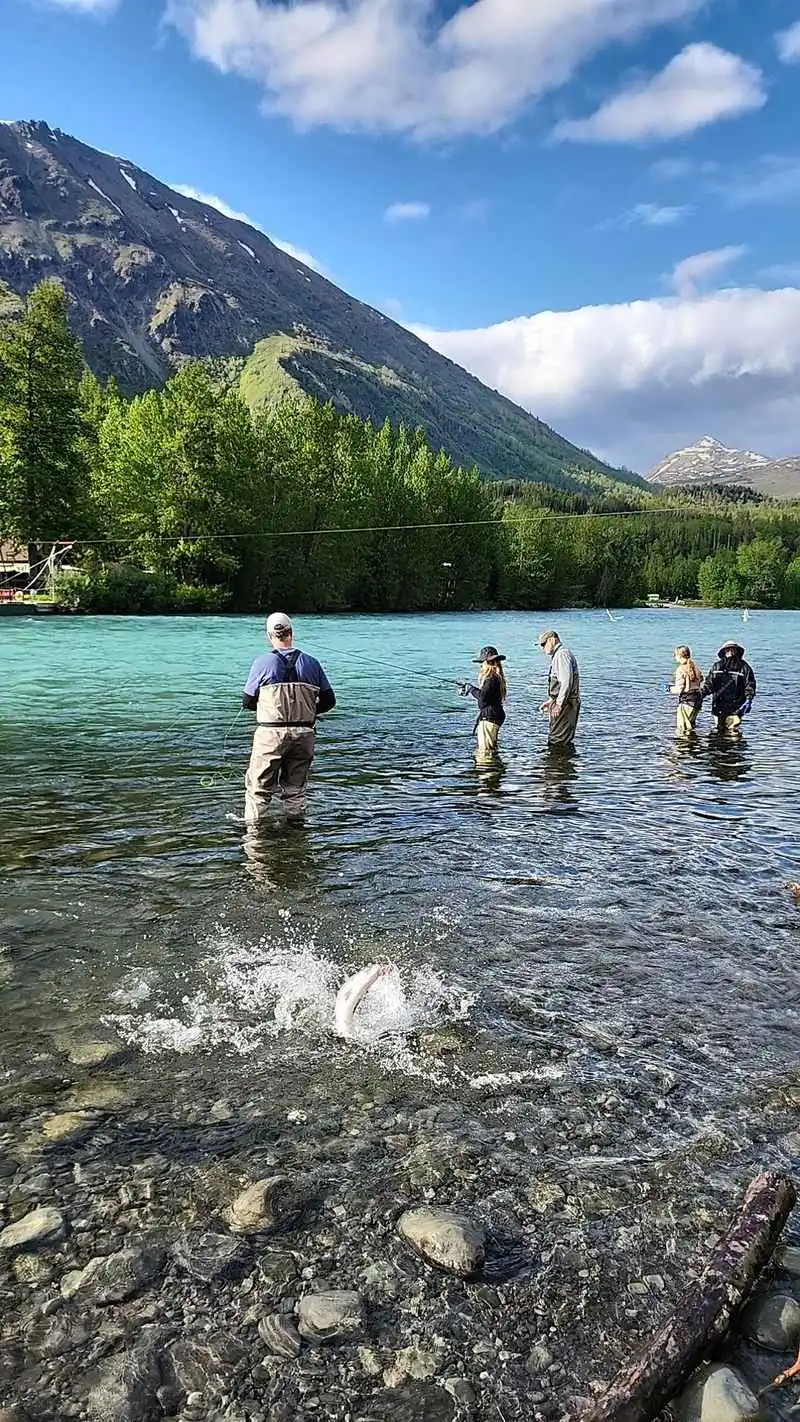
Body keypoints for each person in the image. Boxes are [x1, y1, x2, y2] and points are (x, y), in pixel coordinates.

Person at [241, 612, 336, 826]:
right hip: (304, 734)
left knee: (259, 790)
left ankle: (255, 835)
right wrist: (308, 711)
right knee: (295, 790)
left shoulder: (262, 662)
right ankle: (296, 833)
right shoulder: (312, 663)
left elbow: (247, 701)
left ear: (269, 636)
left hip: (270, 734)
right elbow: (330, 701)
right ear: (291, 632)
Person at [457, 645, 507, 764]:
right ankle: (494, 771)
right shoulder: (497, 677)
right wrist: (471, 689)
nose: (481, 666)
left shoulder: (491, 678)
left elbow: (483, 700)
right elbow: (486, 696)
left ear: (488, 663)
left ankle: (487, 772)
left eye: (482, 662)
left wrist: (471, 689)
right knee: (491, 749)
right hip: (495, 716)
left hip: (489, 718)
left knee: (485, 753)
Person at [699, 641, 756, 734]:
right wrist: (700, 695)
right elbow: (709, 685)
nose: (731, 652)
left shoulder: (744, 667)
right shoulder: (718, 666)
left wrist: (749, 699)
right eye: (728, 649)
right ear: (724, 651)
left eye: (732, 649)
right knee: (724, 732)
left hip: (733, 707)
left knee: (729, 733)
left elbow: (749, 685)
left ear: (737, 651)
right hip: (722, 706)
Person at [537, 630, 580, 749]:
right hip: (562, 702)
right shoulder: (559, 655)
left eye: (543, 644)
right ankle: (561, 760)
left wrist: (559, 704)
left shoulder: (562, 654)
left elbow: (566, 682)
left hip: (566, 704)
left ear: (552, 639)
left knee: (558, 740)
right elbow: (560, 683)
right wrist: (551, 700)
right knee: (558, 738)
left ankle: (559, 761)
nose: (543, 648)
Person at [669, 645, 703, 737]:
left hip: (687, 701)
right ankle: (693, 744)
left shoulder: (680, 669)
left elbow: (679, 689)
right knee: (691, 727)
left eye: (675, 656)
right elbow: (701, 679)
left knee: (682, 730)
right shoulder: (695, 667)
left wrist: (669, 689)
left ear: (679, 656)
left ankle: (683, 746)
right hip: (697, 700)